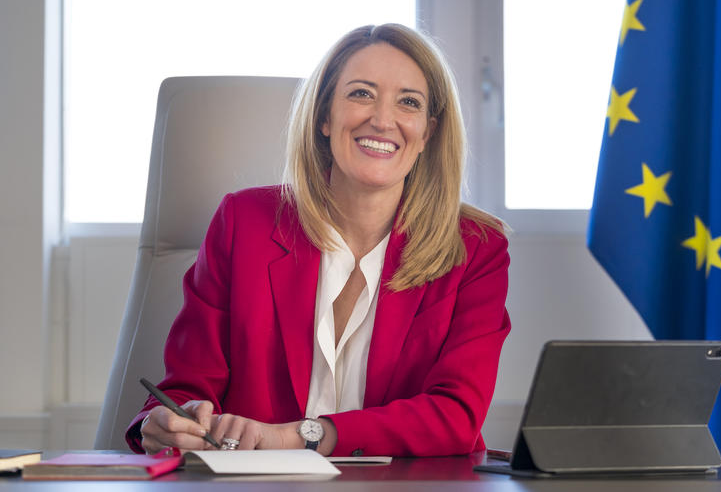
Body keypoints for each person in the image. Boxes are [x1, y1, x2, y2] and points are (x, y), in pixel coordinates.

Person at [127, 23, 511, 457]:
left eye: (408, 102)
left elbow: (455, 415)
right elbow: (186, 388)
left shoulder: (476, 248)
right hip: (260, 486)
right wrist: (166, 422)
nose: (382, 120)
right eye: (361, 93)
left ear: (428, 133)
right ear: (324, 117)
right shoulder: (243, 223)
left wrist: (298, 436)